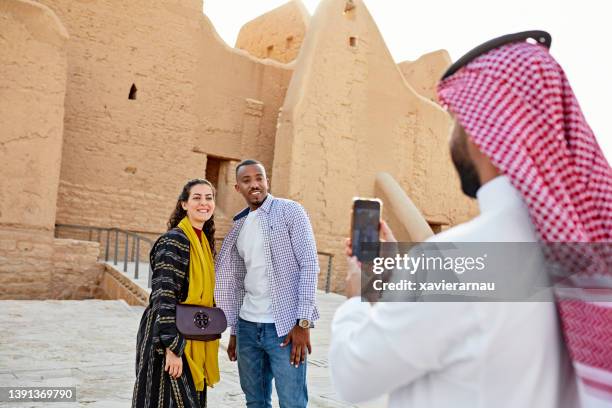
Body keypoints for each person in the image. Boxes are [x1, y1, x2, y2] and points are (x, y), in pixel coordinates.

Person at [328, 31, 602, 407]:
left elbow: (352, 378)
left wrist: (362, 292)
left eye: (457, 120)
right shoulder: (590, 256)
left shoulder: (452, 263)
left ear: (483, 130)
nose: (452, 138)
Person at [215, 159, 319, 408]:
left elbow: (309, 264)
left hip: (284, 329)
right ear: (237, 187)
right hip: (248, 327)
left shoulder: (290, 211)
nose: (255, 184)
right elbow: (240, 282)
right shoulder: (239, 225)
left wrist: (302, 322)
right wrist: (236, 332)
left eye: (259, 178)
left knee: (292, 403)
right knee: (255, 402)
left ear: (267, 181)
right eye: (247, 180)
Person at [132, 179, 220, 408]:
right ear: (184, 204)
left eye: (209, 198)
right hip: (169, 337)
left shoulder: (202, 243)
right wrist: (172, 348)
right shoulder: (174, 241)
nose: (204, 203)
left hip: (193, 336)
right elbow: (163, 296)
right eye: (197, 198)